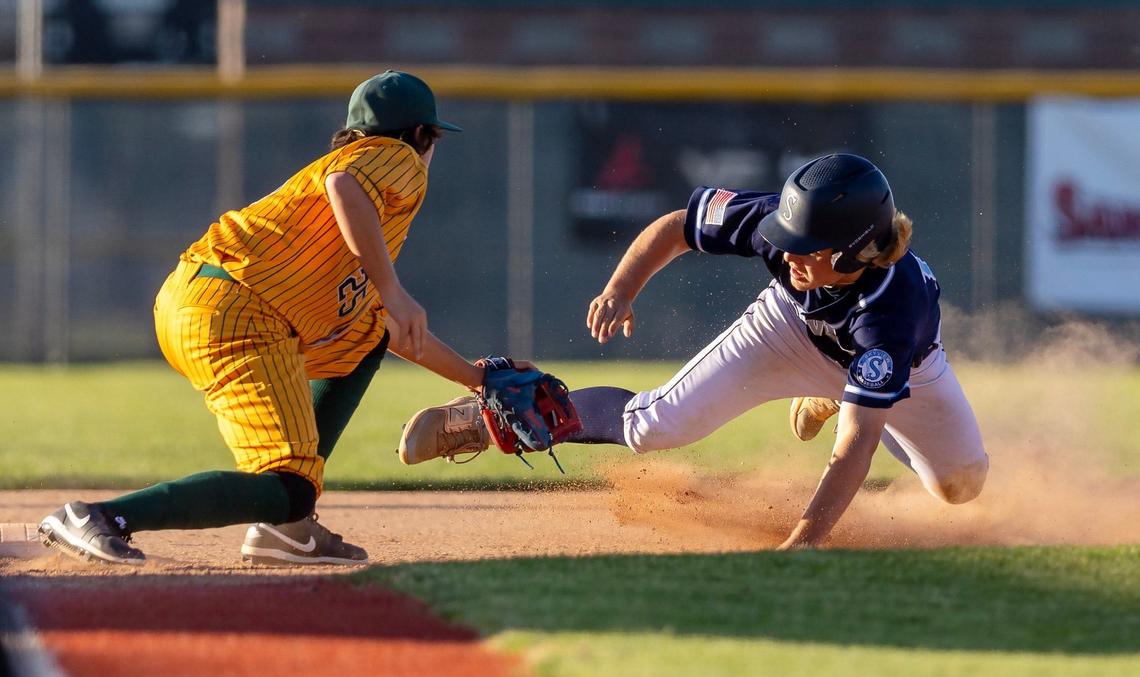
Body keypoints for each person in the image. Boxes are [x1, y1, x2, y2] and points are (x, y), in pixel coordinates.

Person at [399, 153, 989, 549]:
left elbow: (858, 446)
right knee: (657, 425)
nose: (786, 254)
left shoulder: (892, 311)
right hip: (788, 329)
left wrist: (804, 540)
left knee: (959, 486)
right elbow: (680, 226)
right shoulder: (779, 234)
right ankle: (476, 421)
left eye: (806, 248)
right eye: (787, 239)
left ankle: (838, 396)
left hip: (907, 369)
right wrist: (621, 288)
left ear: (853, 252)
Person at [39, 70, 495, 566]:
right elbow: (346, 183)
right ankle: (99, 517)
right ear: (422, 135)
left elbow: (391, 328)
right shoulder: (396, 157)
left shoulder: (354, 217)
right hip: (238, 310)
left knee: (364, 337)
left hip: (209, 301)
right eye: (432, 140)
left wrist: (478, 379)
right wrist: (392, 287)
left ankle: (288, 526)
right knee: (287, 483)